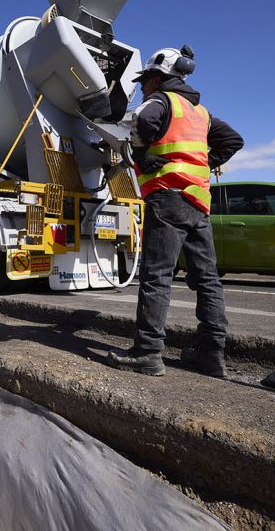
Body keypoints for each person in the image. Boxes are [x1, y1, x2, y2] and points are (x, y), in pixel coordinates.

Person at [107, 46, 243, 378]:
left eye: (144, 81)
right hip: (198, 203)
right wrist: (205, 163)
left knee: (157, 277)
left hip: (167, 199)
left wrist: (139, 156)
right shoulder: (200, 112)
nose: (141, 87)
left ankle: (148, 353)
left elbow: (139, 121)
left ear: (157, 78)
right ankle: (212, 354)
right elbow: (234, 140)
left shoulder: (160, 101)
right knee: (208, 280)